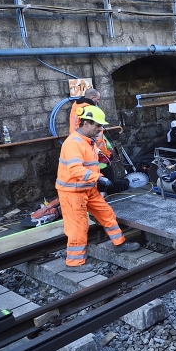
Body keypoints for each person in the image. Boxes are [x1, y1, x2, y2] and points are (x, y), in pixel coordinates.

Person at [56, 106, 141, 272]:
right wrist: (99, 178)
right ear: (86, 124)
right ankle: (74, 263)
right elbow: (75, 170)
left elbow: (91, 164)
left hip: (88, 189)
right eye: (97, 125)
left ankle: (119, 243)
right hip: (73, 193)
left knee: (107, 213)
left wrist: (98, 177)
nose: (100, 128)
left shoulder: (88, 141)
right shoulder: (74, 143)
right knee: (78, 227)